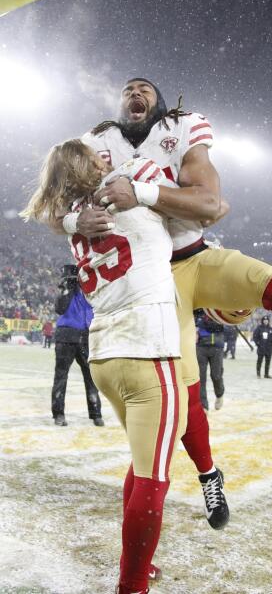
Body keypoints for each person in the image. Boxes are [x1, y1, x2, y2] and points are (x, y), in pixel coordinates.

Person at [57, 79, 272, 428]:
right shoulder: (93, 144)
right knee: (184, 394)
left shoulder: (181, 129)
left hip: (195, 256)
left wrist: (141, 192)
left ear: (161, 104)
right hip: (150, 283)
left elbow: (209, 203)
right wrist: (73, 221)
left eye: (145, 89)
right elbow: (49, 206)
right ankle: (208, 474)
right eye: (127, 90)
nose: (135, 93)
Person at [20, 140, 192, 594]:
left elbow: (54, 213)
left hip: (106, 356)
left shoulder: (79, 215)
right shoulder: (130, 182)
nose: (106, 156)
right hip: (147, 348)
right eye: (98, 155)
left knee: (143, 463)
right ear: (91, 164)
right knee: (154, 477)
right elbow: (208, 209)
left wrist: (72, 217)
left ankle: (136, 564)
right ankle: (132, 583)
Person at [51, 264, 104, 427]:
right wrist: (66, 288)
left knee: (91, 377)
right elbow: (59, 309)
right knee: (61, 377)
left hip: (85, 336)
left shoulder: (89, 290)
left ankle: (96, 413)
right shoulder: (66, 290)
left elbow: (97, 308)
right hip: (67, 335)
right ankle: (58, 414)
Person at [195, 308, 225, 411]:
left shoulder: (218, 309)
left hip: (216, 345)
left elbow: (217, 326)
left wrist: (203, 322)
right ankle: (204, 406)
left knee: (216, 375)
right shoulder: (198, 311)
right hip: (201, 346)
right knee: (200, 377)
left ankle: (219, 394)